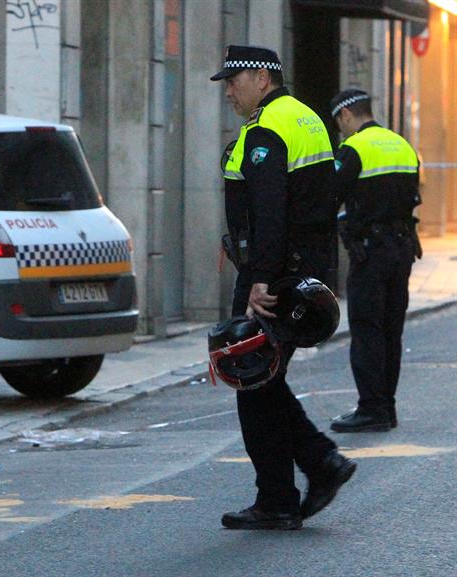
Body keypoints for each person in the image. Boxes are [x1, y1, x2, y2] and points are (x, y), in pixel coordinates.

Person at [210, 45, 356, 530]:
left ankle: (291, 486)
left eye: (233, 82)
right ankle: (308, 471)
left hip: (275, 280)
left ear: (260, 78)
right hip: (302, 273)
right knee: (262, 379)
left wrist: (259, 279)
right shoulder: (306, 118)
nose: (228, 92)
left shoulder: (267, 128)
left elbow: (270, 211)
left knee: (251, 377)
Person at [328, 89, 421, 433]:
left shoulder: (354, 149)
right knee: (391, 330)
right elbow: (412, 198)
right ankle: (386, 407)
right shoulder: (403, 146)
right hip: (402, 249)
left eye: (339, 124)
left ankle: (371, 408)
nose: (341, 131)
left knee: (367, 328)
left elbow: (330, 196)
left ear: (345, 115)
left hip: (370, 252)